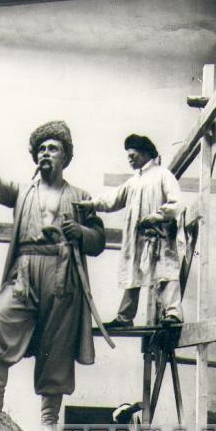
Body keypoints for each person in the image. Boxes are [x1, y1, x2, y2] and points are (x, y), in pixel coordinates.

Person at [0, 117, 105, 431]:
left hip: (62, 274)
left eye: (53, 148)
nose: (45, 153)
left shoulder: (81, 196)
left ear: (66, 156)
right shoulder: (22, 192)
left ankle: (49, 420)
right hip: (24, 269)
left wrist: (80, 232)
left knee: (58, 346)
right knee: (1, 318)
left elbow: (98, 241)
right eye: (40, 149)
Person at [75, 133, 185, 328]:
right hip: (136, 237)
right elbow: (112, 199)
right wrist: (91, 203)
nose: (129, 159)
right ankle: (125, 317)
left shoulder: (163, 175)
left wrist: (157, 216)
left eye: (133, 155)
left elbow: (177, 203)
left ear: (145, 153)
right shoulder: (133, 182)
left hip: (157, 234)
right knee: (133, 272)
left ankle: (173, 313)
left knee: (165, 270)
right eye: (128, 156)